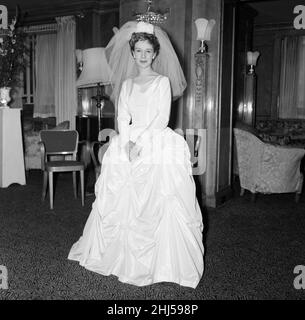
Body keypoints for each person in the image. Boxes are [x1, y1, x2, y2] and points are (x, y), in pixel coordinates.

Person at [68, 21, 204, 289]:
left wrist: (140, 143)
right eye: (138, 51)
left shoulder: (163, 82)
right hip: (128, 141)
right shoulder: (127, 84)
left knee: (162, 202)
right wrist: (127, 143)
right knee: (118, 199)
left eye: (147, 51)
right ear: (132, 54)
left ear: (155, 54)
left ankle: (162, 262)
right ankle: (117, 256)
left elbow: (161, 118)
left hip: (155, 141)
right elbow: (122, 116)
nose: (143, 56)